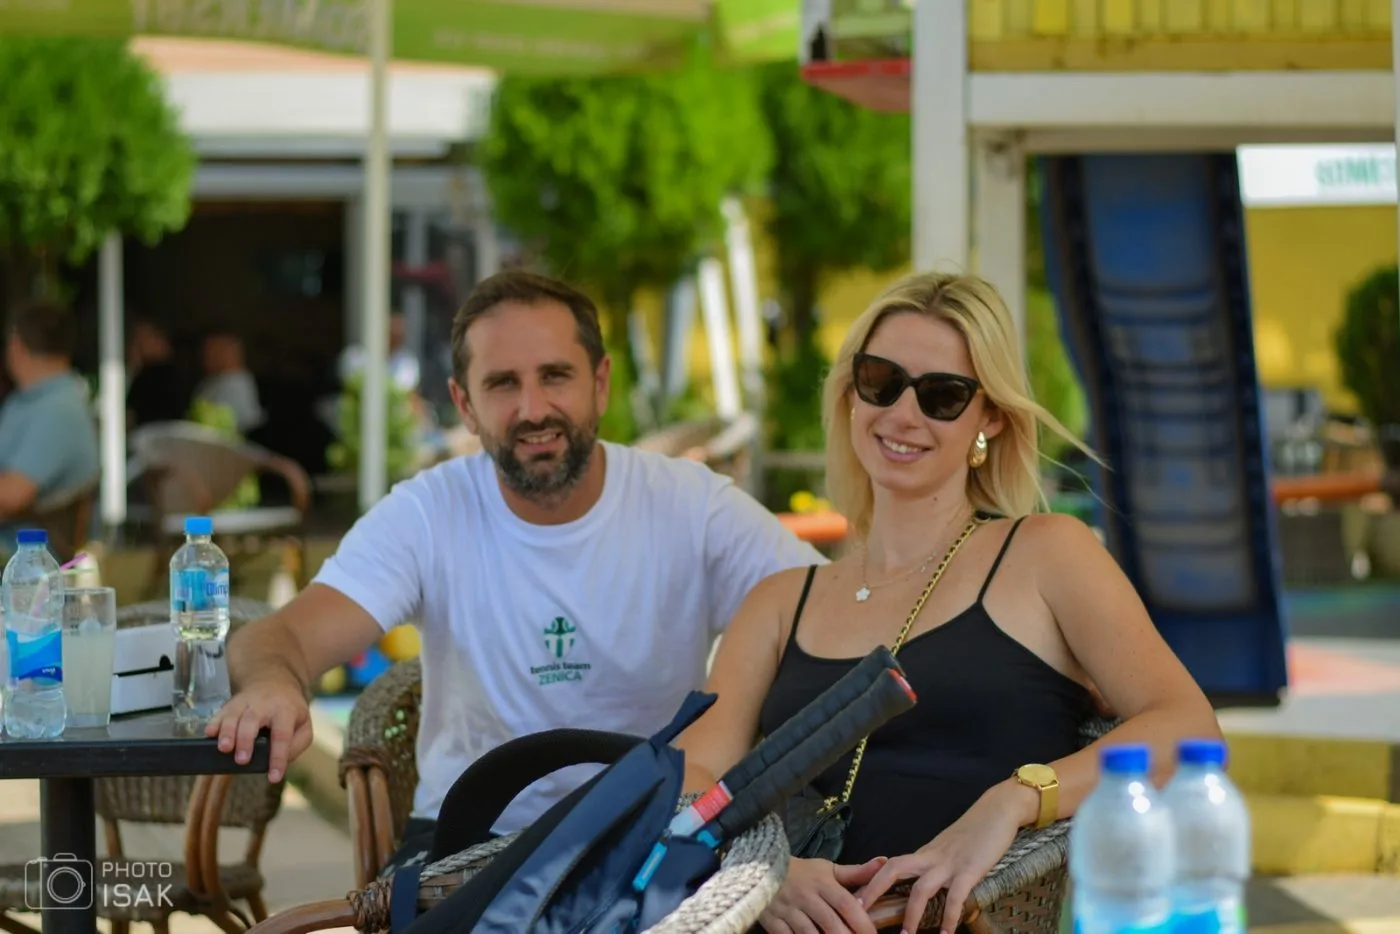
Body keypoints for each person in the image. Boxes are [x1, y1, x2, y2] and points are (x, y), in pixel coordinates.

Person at [210, 270, 825, 871]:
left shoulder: (692, 506)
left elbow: (832, 609)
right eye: (503, 383)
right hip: (470, 848)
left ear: (600, 383)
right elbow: (279, 637)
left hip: (648, 842)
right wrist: (273, 682)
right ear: (464, 404)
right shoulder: (427, 513)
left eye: (555, 376)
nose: (533, 409)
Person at [673, 272, 1221, 934]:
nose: (903, 414)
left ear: (990, 417)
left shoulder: (1045, 554)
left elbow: (1188, 726)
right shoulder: (780, 601)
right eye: (881, 380)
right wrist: (764, 868)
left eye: (942, 395)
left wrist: (1016, 799)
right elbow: (692, 777)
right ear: (850, 393)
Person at [0, 299, 100, 555]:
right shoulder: (28, 402)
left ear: (16, 346)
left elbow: (13, 494)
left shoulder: (58, 410)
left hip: (26, 560)